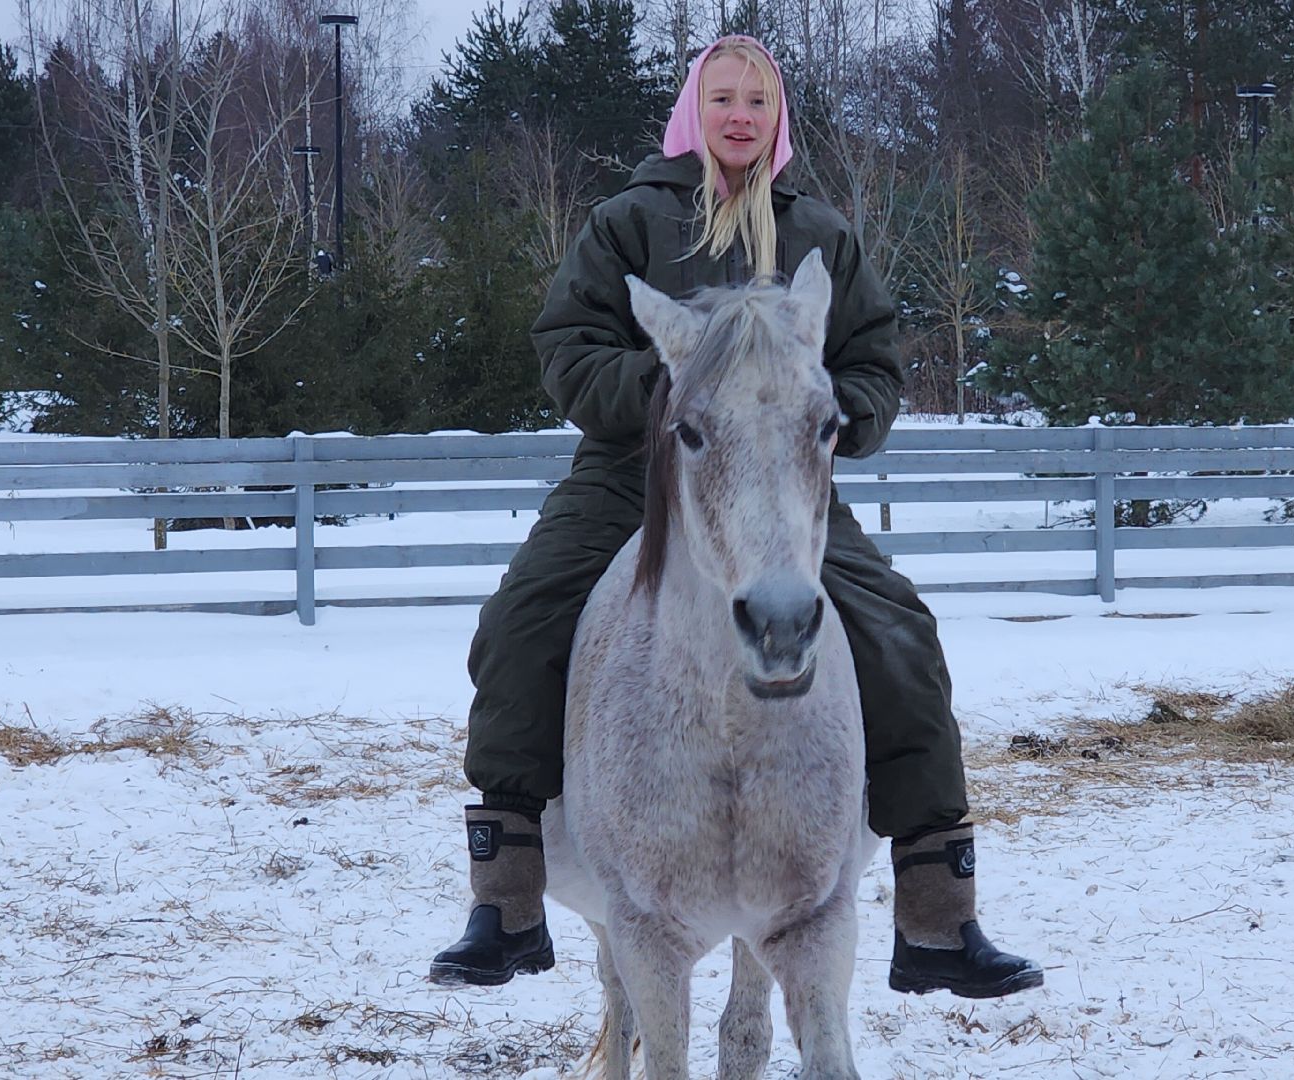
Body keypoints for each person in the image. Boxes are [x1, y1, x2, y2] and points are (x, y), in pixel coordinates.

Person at [429, 35, 1041, 1000]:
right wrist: (673, 394)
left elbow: (874, 359)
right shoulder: (629, 220)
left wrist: (822, 410)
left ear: (778, 115)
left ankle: (935, 912)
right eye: (724, 97)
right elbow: (568, 345)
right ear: (694, 108)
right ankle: (505, 901)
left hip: (784, 482)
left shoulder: (822, 234)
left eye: (759, 98)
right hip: (634, 470)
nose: (742, 114)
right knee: (523, 617)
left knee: (897, 631)